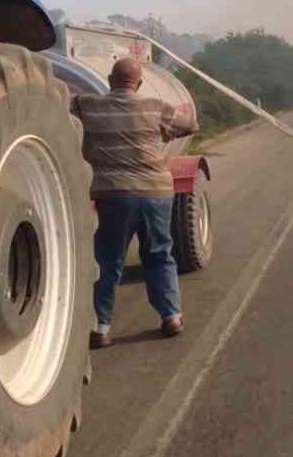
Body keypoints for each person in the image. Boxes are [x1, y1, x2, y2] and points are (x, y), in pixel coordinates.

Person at [71, 56, 199, 348]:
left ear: (109, 80)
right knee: (159, 255)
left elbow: (61, 105)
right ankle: (172, 317)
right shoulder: (155, 107)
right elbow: (191, 126)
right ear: (139, 83)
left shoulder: (89, 105)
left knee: (108, 261)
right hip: (156, 193)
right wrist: (166, 131)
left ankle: (101, 327)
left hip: (114, 196)